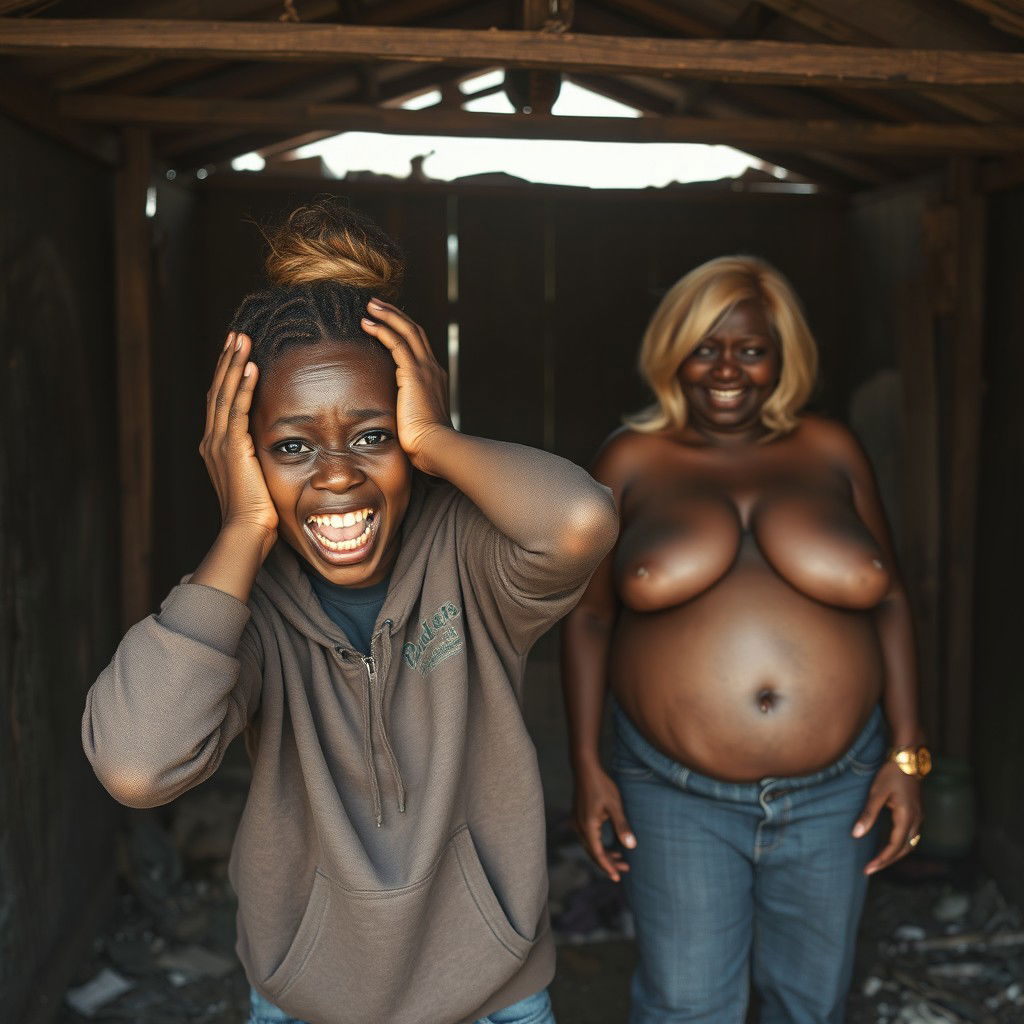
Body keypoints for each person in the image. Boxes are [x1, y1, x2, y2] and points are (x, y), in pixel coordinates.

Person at [83, 200, 618, 1024]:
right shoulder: (242, 612)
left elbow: (581, 520)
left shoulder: (469, 557)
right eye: (292, 447)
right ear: (243, 457)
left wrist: (437, 438)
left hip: (494, 995)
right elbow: (135, 765)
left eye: (372, 436)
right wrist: (244, 526)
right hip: (308, 1002)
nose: (337, 475)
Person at [560, 255, 928, 1024]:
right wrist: (587, 765)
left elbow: (890, 596)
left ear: (781, 356)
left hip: (838, 789)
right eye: (706, 348)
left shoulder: (831, 449)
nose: (727, 370)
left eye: (751, 350)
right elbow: (590, 617)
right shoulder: (630, 458)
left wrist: (906, 753)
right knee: (688, 1007)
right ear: (674, 352)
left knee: (810, 1006)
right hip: (675, 794)